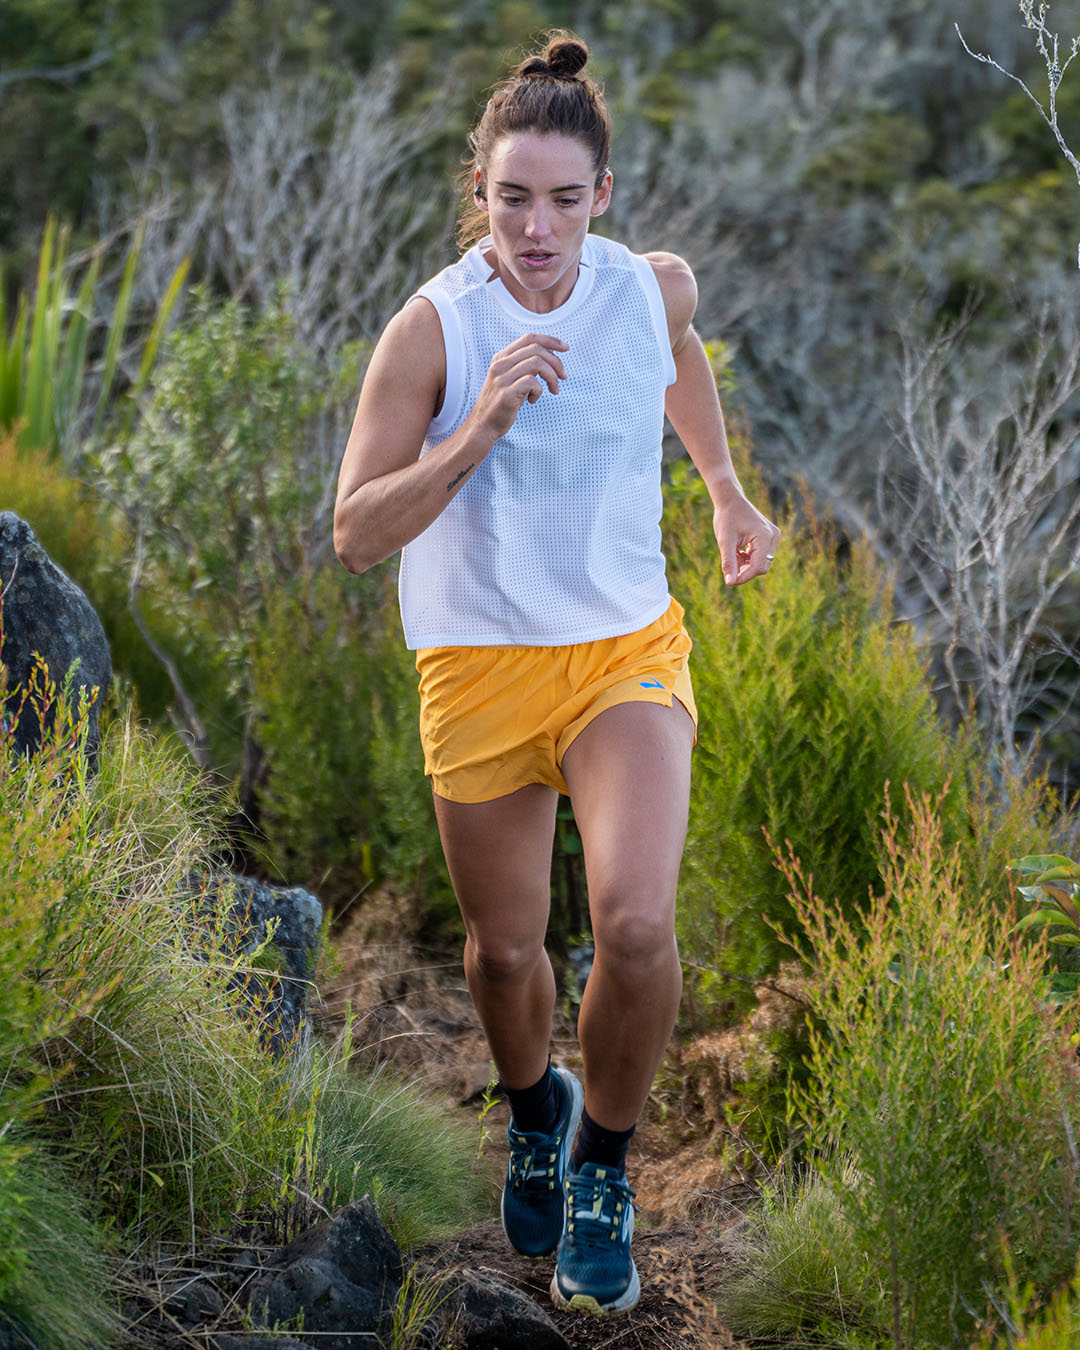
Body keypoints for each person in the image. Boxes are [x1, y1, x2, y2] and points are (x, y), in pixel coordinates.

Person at [334, 32, 779, 1318]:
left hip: (622, 651)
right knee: (503, 950)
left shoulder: (649, 287)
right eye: (512, 197)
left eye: (565, 200)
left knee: (638, 927)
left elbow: (676, 353)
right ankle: (535, 1106)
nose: (538, 228)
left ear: (603, 198)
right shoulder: (434, 329)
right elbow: (359, 532)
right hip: (477, 663)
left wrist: (721, 483)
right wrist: (476, 430)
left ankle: (602, 1166)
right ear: (478, 189)